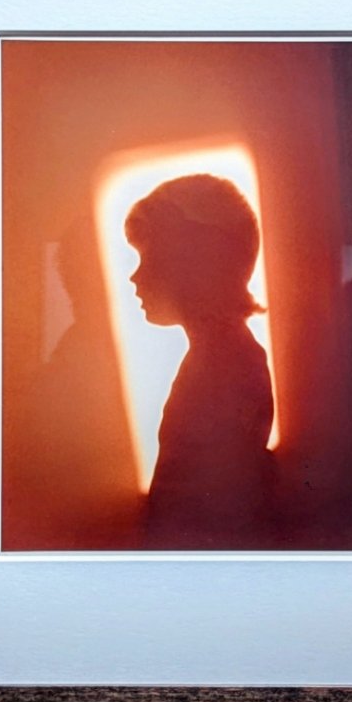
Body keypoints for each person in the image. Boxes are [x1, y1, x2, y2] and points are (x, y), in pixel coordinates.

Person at [125, 174, 276, 548]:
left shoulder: (224, 364)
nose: (134, 276)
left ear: (192, 263)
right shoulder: (217, 354)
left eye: (147, 257)